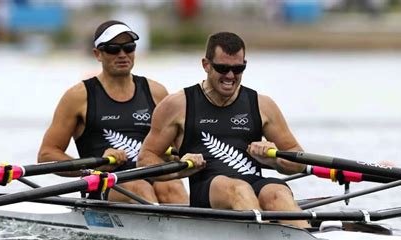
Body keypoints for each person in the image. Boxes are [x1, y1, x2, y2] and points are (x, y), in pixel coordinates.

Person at [137, 32, 308, 228]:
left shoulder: (263, 105)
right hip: (208, 188)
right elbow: (145, 160)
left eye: (238, 69)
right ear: (206, 65)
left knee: (278, 192)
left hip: (253, 182)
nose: (230, 76)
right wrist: (181, 170)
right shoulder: (178, 105)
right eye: (222, 68)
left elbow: (299, 160)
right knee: (239, 189)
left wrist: (274, 160)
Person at [37, 20, 188, 204]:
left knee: (173, 187)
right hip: (104, 185)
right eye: (113, 49)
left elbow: (182, 145)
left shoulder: (157, 92)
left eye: (129, 47)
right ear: (97, 54)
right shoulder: (78, 97)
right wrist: (96, 164)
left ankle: (193, 229)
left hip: (152, 176)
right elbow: (46, 155)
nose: (123, 54)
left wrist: (178, 153)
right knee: (138, 186)